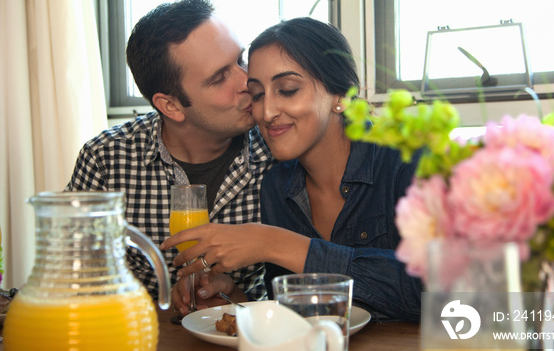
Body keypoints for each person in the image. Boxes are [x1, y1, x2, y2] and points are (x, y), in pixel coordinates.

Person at [166, 17, 422, 322]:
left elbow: (447, 293)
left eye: (287, 89)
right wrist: (233, 299)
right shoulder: (277, 186)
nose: (267, 112)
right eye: (258, 94)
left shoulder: (407, 161)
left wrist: (273, 243)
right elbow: (298, 316)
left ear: (340, 96)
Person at [66, 0, 274, 306]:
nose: (247, 81)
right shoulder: (105, 162)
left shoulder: (278, 150)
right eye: (219, 78)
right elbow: (74, 286)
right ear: (171, 105)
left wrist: (240, 297)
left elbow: (306, 288)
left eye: (240, 59)